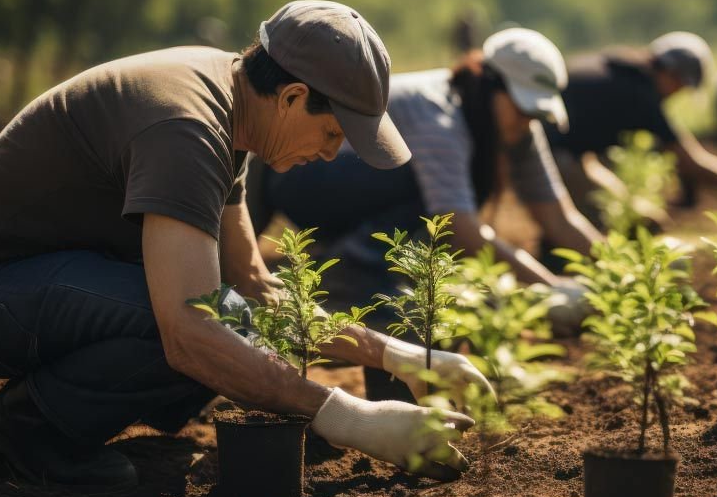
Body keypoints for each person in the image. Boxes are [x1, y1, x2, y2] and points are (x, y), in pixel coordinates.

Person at [0, 1, 489, 488]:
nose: (327, 152)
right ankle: (28, 429)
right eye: (333, 133)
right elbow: (190, 331)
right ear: (291, 97)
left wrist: (394, 354)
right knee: (199, 323)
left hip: (52, 284)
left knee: (237, 319)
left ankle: (52, 410)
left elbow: (257, 287)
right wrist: (351, 418)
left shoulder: (231, 106)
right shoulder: (186, 127)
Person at [245, 28, 602, 401]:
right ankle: (355, 278)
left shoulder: (515, 129)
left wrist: (618, 273)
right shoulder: (440, 115)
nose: (526, 122)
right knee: (412, 179)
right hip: (308, 175)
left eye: (535, 113)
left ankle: (369, 270)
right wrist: (546, 289)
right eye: (522, 109)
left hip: (349, 187)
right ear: (492, 86)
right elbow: (457, 226)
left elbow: (559, 215)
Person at [546, 32, 717, 212]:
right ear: (670, 74)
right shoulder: (642, 95)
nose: (677, 94)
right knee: (615, 213)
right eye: (680, 86)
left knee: (628, 205)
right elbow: (690, 160)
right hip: (553, 154)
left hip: (566, 150)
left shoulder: (618, 67)